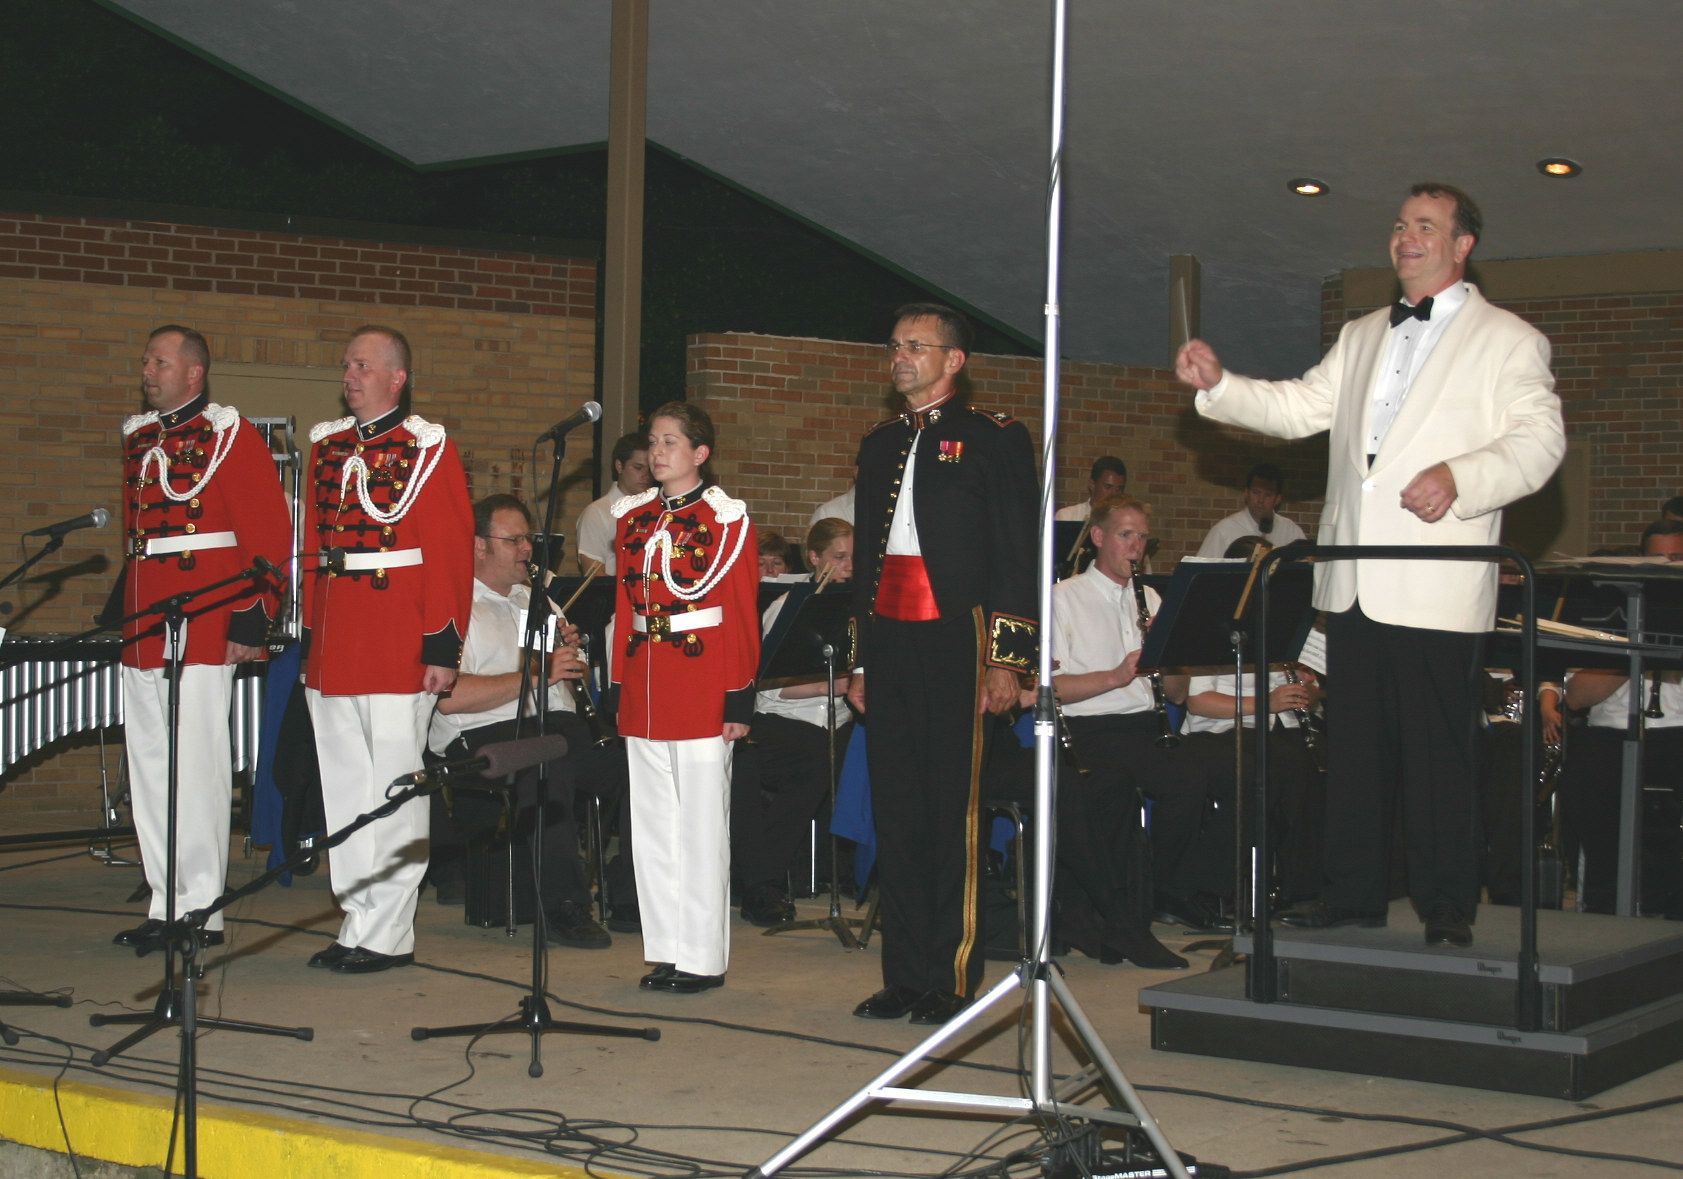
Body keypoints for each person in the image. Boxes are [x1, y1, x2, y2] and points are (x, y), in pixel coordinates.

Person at [1176, 182, 1566, 948]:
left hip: (1436, 585)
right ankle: (1350, 894)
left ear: (1462, 246)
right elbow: (1295, 408)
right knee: (1352, 751)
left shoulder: (1508, 340)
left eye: (1425, 226)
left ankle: (1448, 903)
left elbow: (1538, 442)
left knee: (1437, 755)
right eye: (1397, 226)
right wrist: (1219, 387)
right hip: (1351, 579)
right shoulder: (1359, 334)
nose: (1405, 237)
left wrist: (1461, 477)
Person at [847, 303, 1038, 1025]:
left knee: (952, 809)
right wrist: (862, 660)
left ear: (952, 360)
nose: (899, 356)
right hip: (890, 639)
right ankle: (905, 972)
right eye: (894, 344)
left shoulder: (994, 438)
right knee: (896, 807)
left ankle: (952, 977)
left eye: (915, 346)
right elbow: (866, 561)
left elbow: (1020, 555)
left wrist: (1007, 663)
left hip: (960, 636)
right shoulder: (877, 444)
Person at [114, 325, 293, 950]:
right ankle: (165, 901)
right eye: (145, 359)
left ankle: (201, 909)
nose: (147, 369)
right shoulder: (141, 439)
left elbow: (270, 534)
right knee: (151, 771)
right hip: (145, 624)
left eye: (159, 360)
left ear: (194, 372)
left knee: (198, 769)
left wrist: (252, 618)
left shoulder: (228, 434)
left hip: (204, 618)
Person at [302, 324, 474, 973]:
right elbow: (317, 551)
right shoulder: (327, 447)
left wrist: (442, 644)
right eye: (346, 364)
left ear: (396, 378)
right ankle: (357, 914)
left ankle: (390, 930)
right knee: (344, 786)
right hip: (337, 639)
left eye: (363, 365)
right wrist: (312, 641)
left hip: (399, 639)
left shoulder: (425, 447)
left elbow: (450, 552)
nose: (349, 375)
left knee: (395, 785)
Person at [609, 401, 760, 994]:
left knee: (699, 825)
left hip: (701, 684)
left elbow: (742, 614)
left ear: (700, 454)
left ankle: (701, 956)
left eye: (671, 441)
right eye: (653, 440)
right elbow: (626, 608)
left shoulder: (725, 518)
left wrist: (738, 697)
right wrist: (618, 684)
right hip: (647, 682)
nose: (658, 451)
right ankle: (667, 948)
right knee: (651, 826)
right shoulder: (633, 517)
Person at [427, 493, 619, 949]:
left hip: (553, 725)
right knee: (546, 766)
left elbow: (564, 687)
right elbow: (450, 700)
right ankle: (564, 905)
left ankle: (630, 896)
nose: (527, 550)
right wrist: (539, 672)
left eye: (528, 540)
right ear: (478, 545)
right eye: (513, 541)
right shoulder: (452, 607)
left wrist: (573, 658)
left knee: (637, 760)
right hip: (477, 734)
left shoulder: (538, 603)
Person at [1049, 496, 1213, 960]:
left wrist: (1169, 650)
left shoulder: (1152, 599)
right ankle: (1121, 915)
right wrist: (1116, 676)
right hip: (1089, 729)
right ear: (1098, 537)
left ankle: (1161, 893)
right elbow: (1051, 689)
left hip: (1145, 726)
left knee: (1191, 778)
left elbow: (1179, 694)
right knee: (1112, 791)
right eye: (1126, 535)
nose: (1136, 547)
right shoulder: (1062, 599)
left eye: (1143, 537)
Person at [732, 517, 855, 926]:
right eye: (839, 558)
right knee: (818, 759)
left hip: (841, 722)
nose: (849, 566)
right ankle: (762, 881)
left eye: (854, 557)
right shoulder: (786, 608)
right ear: (815, 558)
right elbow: (768, 690)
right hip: (781, 720)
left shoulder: (860, 609)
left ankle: (759, 875)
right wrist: (832, 685)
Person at [1559, 520, 1683, 914]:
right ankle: (1602, 903)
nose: (1665, 568)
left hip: (1677, 733)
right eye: (1655, 561)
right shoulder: (1611, 611)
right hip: (1610, 734)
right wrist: (1631, 651)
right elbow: (1576, 699)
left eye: (1676, 560)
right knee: (1589, 778)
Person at [575, 432, 653, 575]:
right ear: (619, 466)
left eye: (650, 468)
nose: (646, 475)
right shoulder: (596, 513)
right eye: (638, 467)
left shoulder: (658, 510)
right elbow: (594, 579)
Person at [1194, 462, 1307, 558]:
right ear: (1246, 493)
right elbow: (1200, 574)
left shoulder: (1291, 531)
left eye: (1268, 495)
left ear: (1278, 499)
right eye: (1256, 492)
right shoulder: (1224, 531)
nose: (1261, 500)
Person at [1055, 455, 1128, 521]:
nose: (1114, 494)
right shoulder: (1068, 516)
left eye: (1119, 489)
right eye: (1108, 487)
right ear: (1092, 484)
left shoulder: (1126, 520)